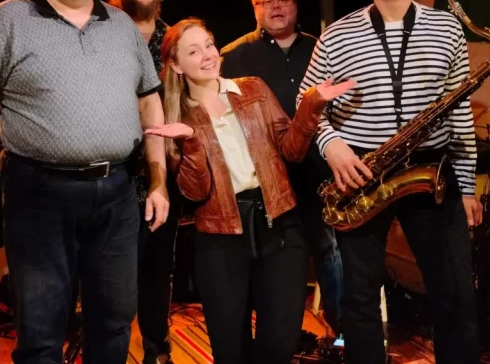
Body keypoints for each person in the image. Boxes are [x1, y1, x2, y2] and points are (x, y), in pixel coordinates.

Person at [0, 0, 171, 364]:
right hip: (38, 194)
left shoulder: (123, 27)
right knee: (41, 331)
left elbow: (151, 106)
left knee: (114, 323)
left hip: (116, 194)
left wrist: (159, 181)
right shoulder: (5, 21)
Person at [298, 0, 482, 364]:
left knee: (455, 290)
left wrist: (468, 186)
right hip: (362, 169)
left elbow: (459, 111)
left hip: (431, 169)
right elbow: (306, 104)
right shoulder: (336, 35)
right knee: (360, 295)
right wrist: (332, 147)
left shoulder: (447, 28)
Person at [144, 19, 355, 364]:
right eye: (193, 51)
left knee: (280, 343)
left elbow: (292, 151)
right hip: (220, 237)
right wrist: (191, 143)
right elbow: (194, 194)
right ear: (176, 65)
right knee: (230, 350)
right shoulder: (176, 115)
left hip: (279, 224)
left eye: (209, 45)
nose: (207, 55)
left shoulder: (253, 89)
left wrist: (311, 106)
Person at [219, 0, 344, 334]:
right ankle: (276, 338)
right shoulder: (232, 57)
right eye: (266, 1)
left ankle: (341, 335)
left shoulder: (323, 49)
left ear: (295, 4)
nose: (275, 7)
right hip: (265, 183)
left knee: (331, 251)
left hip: (320, 173)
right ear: (254, 8)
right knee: (272, 262)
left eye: (283, 0)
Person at [107, 0, 179, 364]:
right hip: (111, 173)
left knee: (157, 268)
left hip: (162, 171)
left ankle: (157, 348)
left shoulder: (174, 40)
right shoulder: (101, 31)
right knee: (110, 275)